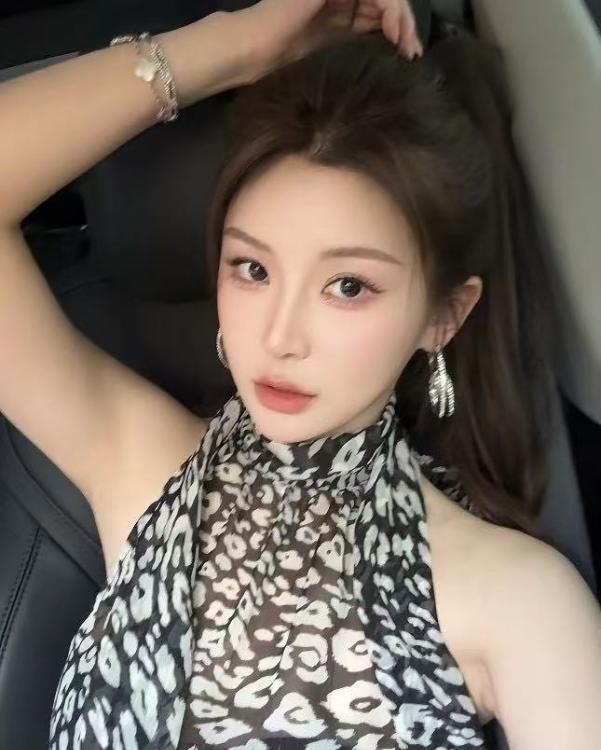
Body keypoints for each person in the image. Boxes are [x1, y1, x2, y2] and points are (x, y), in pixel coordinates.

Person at [0, 1, 599, 748]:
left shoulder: (521, 602)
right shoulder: (139, 460)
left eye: (347, 286)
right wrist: (239, 44)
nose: (280, 338)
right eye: (252, 268)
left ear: (442, 317)